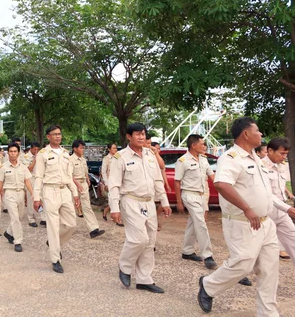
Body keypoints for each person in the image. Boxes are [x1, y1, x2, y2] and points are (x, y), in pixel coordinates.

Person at [197, 117, 279, 315]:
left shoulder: (255, 158)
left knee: (269, 271)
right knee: (243, 264)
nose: (261, 134)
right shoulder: (231, 158)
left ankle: (268, 313)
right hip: (244, 223)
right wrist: (247, 208)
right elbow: (222, 184)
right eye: (258, 130)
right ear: (246, 134)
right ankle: (208, 285)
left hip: (266, 224)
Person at [108, 122, 171, 293]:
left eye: (143, 134)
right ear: (129, 136)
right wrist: (114, 208)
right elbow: (113, 185)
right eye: (137, 134)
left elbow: (158, 180)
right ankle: (125, 266)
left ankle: (144, 279)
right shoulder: (120, 157)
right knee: (138, 239)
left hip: (149, 202)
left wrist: (164, 202)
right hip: (130, 201)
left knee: (150, 241)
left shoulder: (150, 155)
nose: (141, 137)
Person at [33, 125, 80, 274]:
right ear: (48, 137)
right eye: (54, 134)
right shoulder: (43, 154)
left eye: (59, 134)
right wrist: (36, 197)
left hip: (65, 190)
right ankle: (55, 259)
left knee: (71, 224)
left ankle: (54, 243)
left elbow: (69, 175)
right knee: (53, 226)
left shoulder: (66, 154)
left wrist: (75, 193)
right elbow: (39, 176)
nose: (58, 137)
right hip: (50, 190)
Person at [175, 134, 217, 269]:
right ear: (193, 145)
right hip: (189, 195)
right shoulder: (183, 161)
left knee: (193, 223)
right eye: (202, 144)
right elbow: (177, 182)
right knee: (201, 223)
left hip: (201, 195)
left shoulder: (204, 160)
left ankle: (187, 251)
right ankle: (208, 256)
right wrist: (179, 202)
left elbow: (213, 177)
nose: (204, 146)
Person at [262, 137, 295, 265]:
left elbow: (281, 190)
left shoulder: (280, 166)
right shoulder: (261, 166)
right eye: (282, 153)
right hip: (266, 213)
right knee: (259, 249)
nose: (284, 157)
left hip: (282, 212)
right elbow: (267, 193)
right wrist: (288, 208)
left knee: (293, 239)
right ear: (270, 150)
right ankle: (240, 272)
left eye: (286, 154)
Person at [0, 143, 34, 252]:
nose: (13, 153)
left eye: (15, 151)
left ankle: (8, 232)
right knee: (15, 218)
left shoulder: (23, 167)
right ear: (8, 153)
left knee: (19, 217)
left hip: (20, 193)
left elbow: (27, 181)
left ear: (18, 153)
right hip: (9, 194)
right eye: (11, 151)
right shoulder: (3, 167)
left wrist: (33, 194)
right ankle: (18, 241)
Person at [70, 139, 105, 239]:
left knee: (87, 206)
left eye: (83, 148)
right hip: (73, 184)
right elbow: (69, 175)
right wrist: (77, 184)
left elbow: (85, 171)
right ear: (74, 148)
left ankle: (93, 229)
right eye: (81, 148)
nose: (82, 150)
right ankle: (68, 227)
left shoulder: (83, 159)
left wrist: (87, 179)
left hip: (83, 184)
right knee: (71, 207)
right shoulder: (70, 160)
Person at [23, 142, 44, 228]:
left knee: (41, 198)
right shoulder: (26, 157)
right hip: (30, 178)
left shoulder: (40, 156)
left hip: (39, 178)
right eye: (34, 149)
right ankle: (31, 218)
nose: (36, 151)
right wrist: (35, 159)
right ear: (31, 148)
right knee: (31, 198)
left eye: (37, 149)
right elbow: (28, 169)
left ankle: (42, 217)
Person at [101, 143, 121, 225]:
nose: (115, 150)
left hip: (118, 181)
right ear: (109, 149)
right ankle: (118, 220)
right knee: (113, 200)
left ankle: (105, 211)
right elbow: (103, 172)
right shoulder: (106, 159)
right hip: (110, 182)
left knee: (118, 200)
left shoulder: (118, 157)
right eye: (113, 148)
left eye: (116, 148)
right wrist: (106, 183)